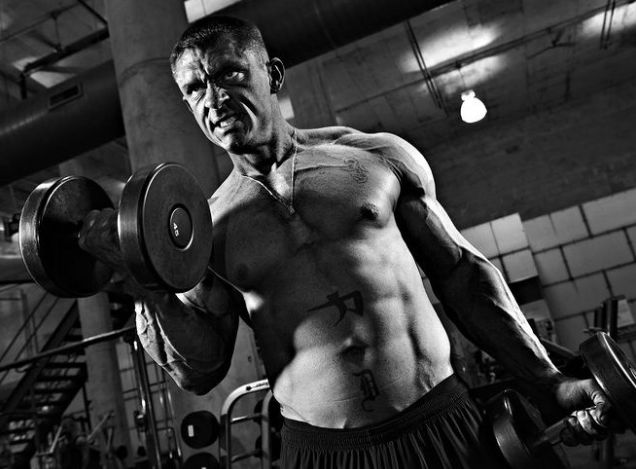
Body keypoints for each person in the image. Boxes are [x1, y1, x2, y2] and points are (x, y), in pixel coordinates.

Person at [80, 15, 612, 468]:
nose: (214, 100)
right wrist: (142, 282)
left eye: (230, 74)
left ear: (272, 74)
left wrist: (548, 383)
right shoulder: (209, 227)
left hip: (440, 422)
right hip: (323, 452)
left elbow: (463, 276)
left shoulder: (374, 157)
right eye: (195, 89)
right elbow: (200, 370)